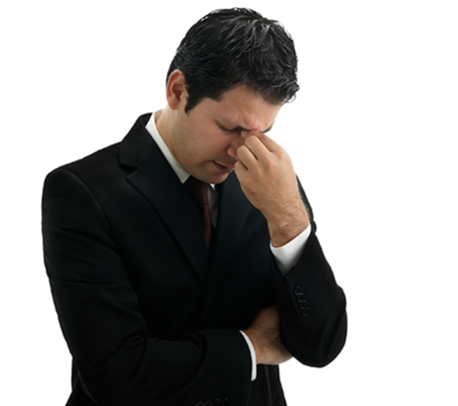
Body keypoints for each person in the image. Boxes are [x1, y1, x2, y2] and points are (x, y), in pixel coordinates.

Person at [42, 8, 347, 406]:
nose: (243, 151)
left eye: (263, 132)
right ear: (177, 90)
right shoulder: (81, 192)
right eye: (228, 127)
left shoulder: (273, 184)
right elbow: (116, 375)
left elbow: (320, 346)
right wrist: (249, 348)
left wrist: (289, 218)